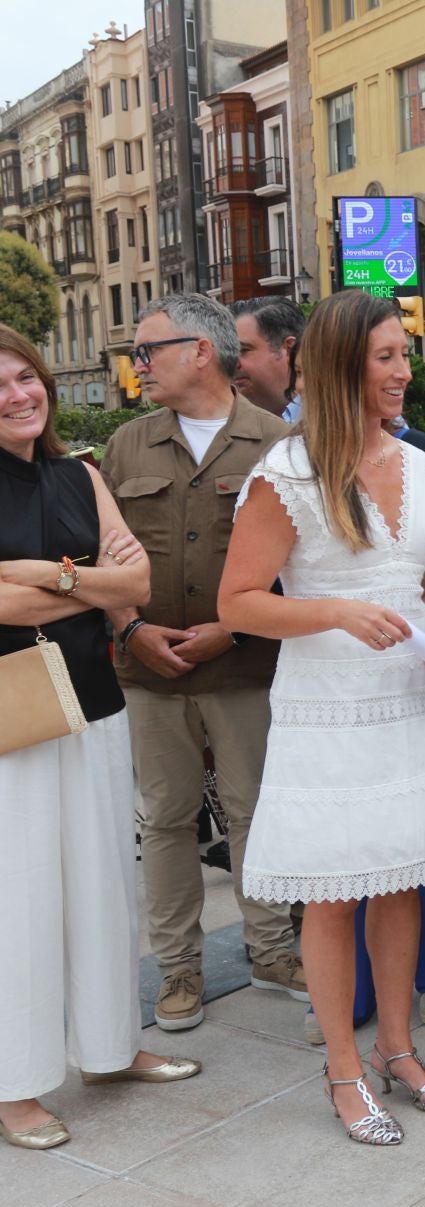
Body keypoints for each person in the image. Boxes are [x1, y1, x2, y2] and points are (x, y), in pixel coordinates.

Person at [219, 289, 425, 1145]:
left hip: (409, 702)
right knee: (333, 895)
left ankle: (397, 1049)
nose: (405, 370)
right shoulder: (285, 475)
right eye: (386, 357)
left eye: (405, 353)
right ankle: (343, 1070)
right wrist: (333, 611)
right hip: (327, 710)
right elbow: (239, 602)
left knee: (400, 880)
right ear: (339, 367)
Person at [0, 325, 200, 1152]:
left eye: (25, 377)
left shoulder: (81, 474)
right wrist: (90, 581)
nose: (19, 395)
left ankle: (111, 1050)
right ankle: (15, 1086)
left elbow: (137, 582)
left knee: (104, 884)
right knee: (20, 902)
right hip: (13, 717)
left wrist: (49, 575)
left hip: (94, 704)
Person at [99, 295, 303, 1033]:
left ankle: (271, 950)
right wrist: (130, 630)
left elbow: (300, 565)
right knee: (165, 820)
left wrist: (232, 631)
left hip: (244, 668)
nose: (138, 365)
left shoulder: (277, 444)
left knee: (255, 812)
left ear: (200, 351)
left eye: (148, 350)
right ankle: (178, 969)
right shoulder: (126, 446)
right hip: (148, 672)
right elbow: (98, 557)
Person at [231, 297, 305, 420]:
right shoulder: (229, 424)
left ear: (289, 349)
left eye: (243, 350)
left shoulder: (330, 420)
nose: (232, 362)